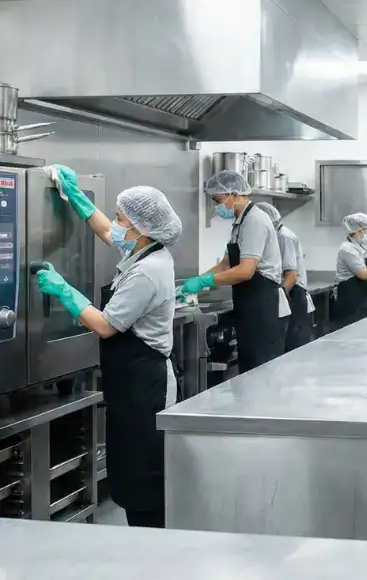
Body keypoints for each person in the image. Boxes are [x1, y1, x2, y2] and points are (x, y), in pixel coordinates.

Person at [35, 166, 180, 528]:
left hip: (144, 386)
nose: (116, 224)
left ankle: (152, 546)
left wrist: (62, 289)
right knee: (131, 467)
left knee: (142, 474)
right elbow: (107, 232)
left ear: (141, 229)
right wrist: (78, 198)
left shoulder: (148, 271)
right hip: (131, 383)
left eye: (121, 218)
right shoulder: (144, 250)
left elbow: (105, 325)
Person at [180, 170, 289, 373]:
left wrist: (205, 282)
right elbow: (226, 264)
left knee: (260, 370)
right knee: (250, 368)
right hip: (250, 305)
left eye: (218, 200)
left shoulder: (255, 220)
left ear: (234, 193)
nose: (217, 206)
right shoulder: (241, 223)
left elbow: (246, 271)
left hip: (263, 306)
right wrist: (197, 280)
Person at [257, 202, 315, 351]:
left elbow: (291, 275)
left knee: (293, 347)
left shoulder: (283, 237)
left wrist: (278, 299)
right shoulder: (278, 235)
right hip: (290, 294)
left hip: (294, 295)